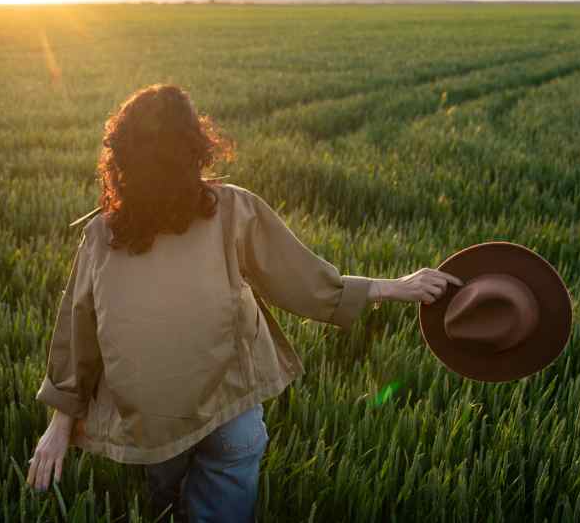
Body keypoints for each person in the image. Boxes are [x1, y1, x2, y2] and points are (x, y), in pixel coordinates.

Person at [26, 84, 462, 522]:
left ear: (121, 157)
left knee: (165, 507)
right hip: (230, 412)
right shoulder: (231, 208)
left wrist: (59, 425)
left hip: (153, 428)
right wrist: (392, 286)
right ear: (196, 147)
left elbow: (78, 335)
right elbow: (304, 283)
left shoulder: (103, 235)